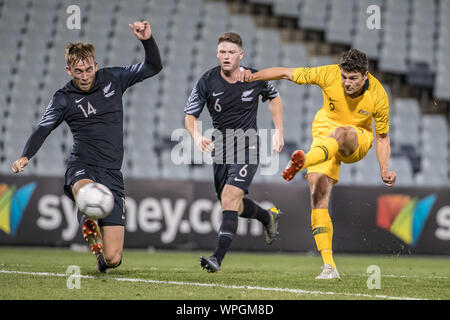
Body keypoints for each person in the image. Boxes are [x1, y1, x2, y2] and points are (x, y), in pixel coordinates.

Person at [12, 20, 162, 272]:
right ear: (69, 70)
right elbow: (43, 128)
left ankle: (99, 257)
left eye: (89, 69)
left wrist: (146, 40)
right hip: (83, 167)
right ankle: (87, 217)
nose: (84, 76)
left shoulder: (113, 78)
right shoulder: (63, 98)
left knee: (114, 259)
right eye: (78, 71)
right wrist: (26, 155)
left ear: (96, 65)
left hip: (112, 173)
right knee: (87, 192)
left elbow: (153, 66)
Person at [238, 49, 397, 279]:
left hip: (357, 139)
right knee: (318, 194)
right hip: (325, 131)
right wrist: (253, 76)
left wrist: (384, 168)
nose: (346, 83)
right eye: (344, 76)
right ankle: (329, 267)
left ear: (365, 76)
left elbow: (382, 137)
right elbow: (286, 73)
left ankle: (304, 161)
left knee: (342, 132)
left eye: (353, 78)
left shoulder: (379, 95)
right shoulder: (328, 74)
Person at [185, 32, 284, 273]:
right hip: (221, 148)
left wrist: (279, 131)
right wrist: (196, 135)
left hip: (248, 145)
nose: (226, 56)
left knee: (229, 198)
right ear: (217, 54)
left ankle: (217, 258)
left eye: (231, 52)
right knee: (231, 204)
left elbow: (274, 97)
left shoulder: (254, 77)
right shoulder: (207, 81)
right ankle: (267, 217)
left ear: (241, 54)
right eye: (222, 52)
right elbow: (190, 115)